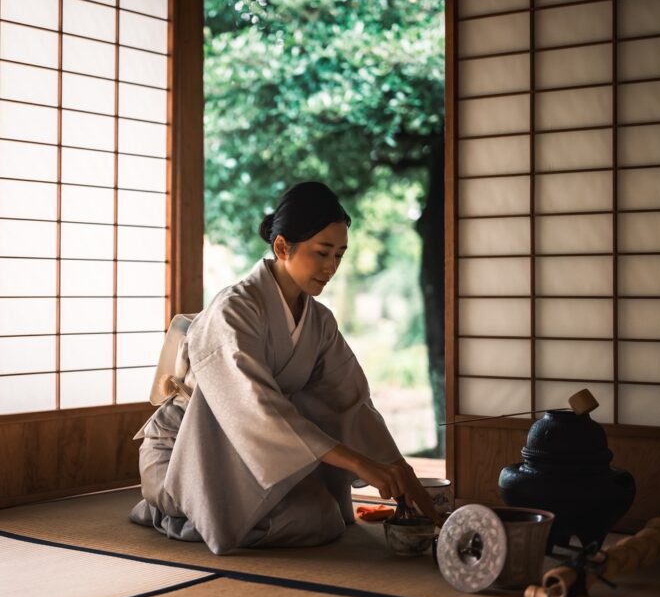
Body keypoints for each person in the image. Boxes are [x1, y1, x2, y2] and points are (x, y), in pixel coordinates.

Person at [129, 181, 443, 554]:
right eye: (322, 252)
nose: (331, 267)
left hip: (249, 456)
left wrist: (401, 471)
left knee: (323, 516)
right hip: (186, 453)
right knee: (303, 520)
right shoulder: (233, 311)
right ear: (282, 247)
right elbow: (257, 408)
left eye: (340, 255)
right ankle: (175, 507)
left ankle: (213, 514)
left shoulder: (320, 322)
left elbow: (351, 402)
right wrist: (362, 464)